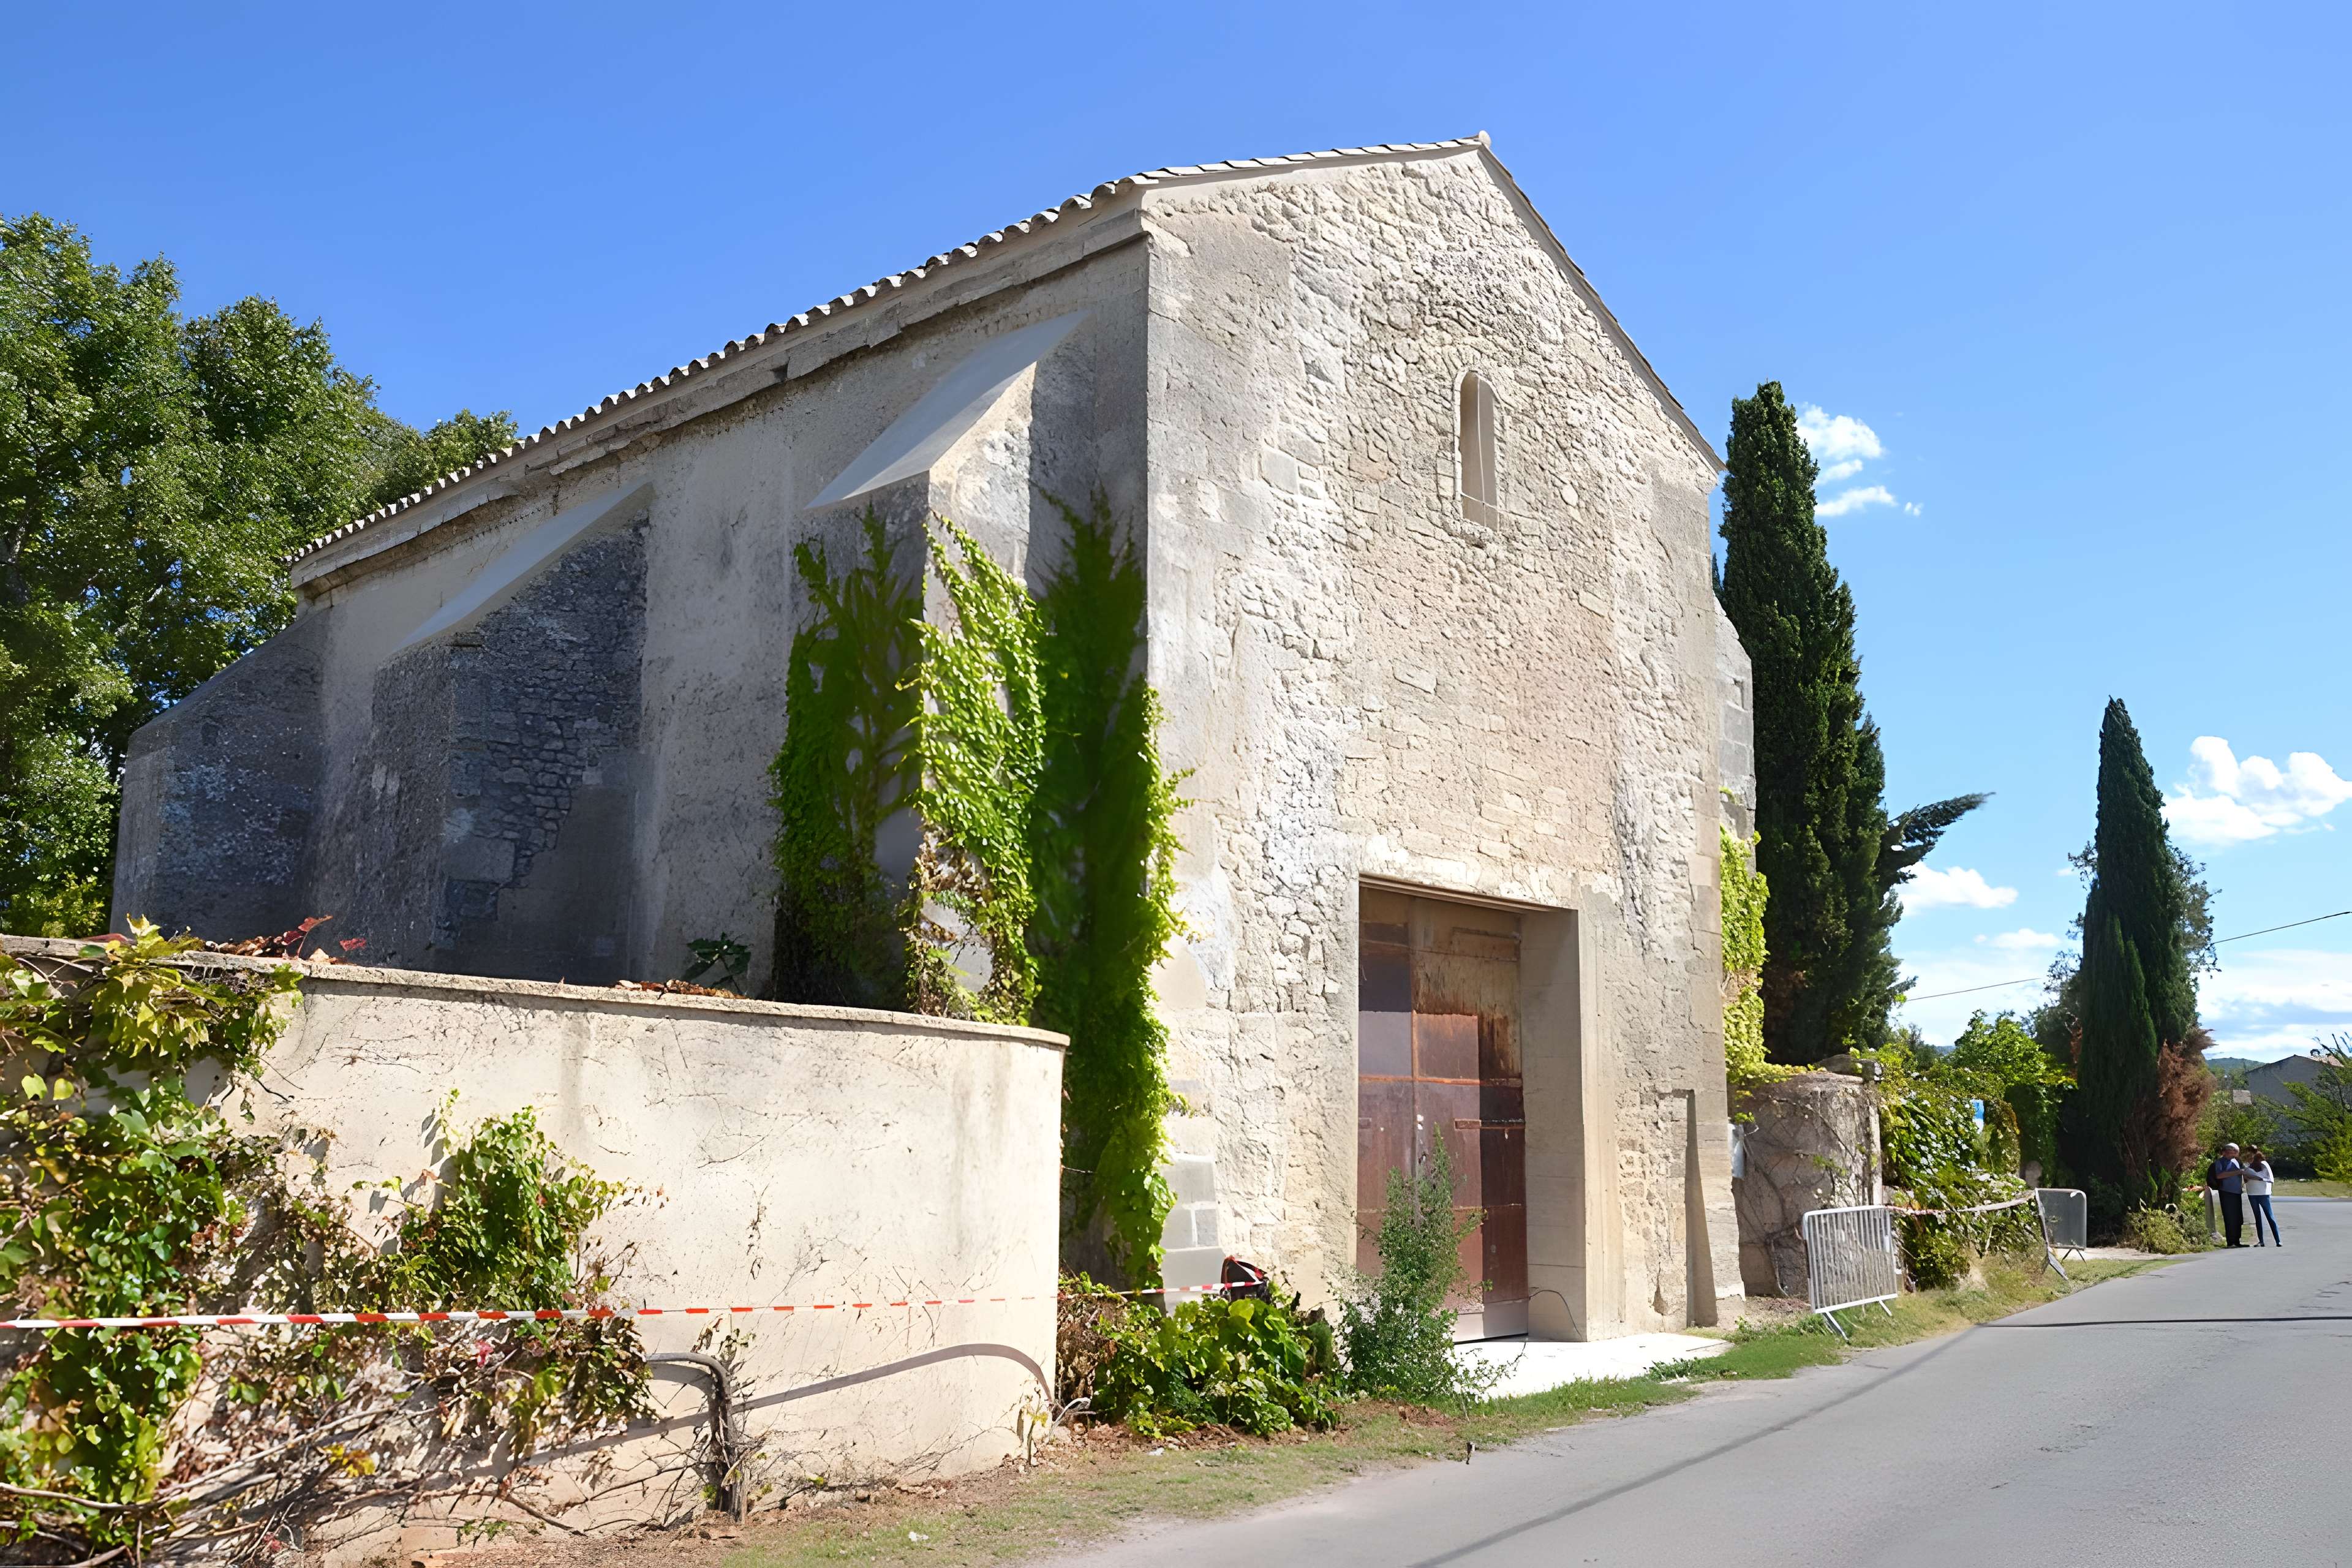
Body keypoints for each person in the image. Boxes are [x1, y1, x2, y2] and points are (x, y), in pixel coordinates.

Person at [2207, 1142, 2246, 1247]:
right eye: (2231, 1152)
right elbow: (2219, 1175)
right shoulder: (2220, 1162)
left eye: (2235, 1152)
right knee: (2230, 1217)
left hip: (2237, 1192)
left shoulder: (2236, 1161)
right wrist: (2237, 1172)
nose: (2233, 1154)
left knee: (2238, 1217)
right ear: (2226, 1152)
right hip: (2226, 1192)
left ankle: (2237, 1241)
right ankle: (2231, 1241)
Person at [2245, 1145, 2283, 1246]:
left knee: (2270, 1216)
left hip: (2263, 1193)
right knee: (2257, 1217)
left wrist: (2256, 1177)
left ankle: (2278, 1240)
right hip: (2252, 1192)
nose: (2249, 1155)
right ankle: (2261, 1241)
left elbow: (2269, 1177)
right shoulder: (2247, 1165)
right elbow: (2244, 1178)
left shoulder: (2263, 1164)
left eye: (2251, 1152)